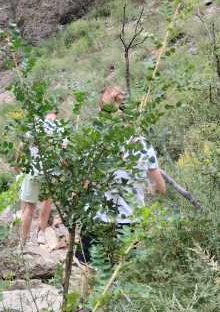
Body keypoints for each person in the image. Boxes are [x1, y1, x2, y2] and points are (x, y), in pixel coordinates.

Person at [77, 85, 167, 263]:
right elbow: (161, 188)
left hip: (97, 221)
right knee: (124, 274)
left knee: (91, 273)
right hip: (130, 224)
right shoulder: (142, 145)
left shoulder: (95, 143)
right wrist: (147, 187)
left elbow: (83, 185)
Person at [20, 111, 66, 246]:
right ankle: (41, 233)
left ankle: (24, 240)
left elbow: (21, 148)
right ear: (55, 114)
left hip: (33, 171)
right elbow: (64, 149)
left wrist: (19, 165)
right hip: (51, 172)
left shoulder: (34, 127)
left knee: (29, 207)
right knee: (47, 202)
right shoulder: (59, 127)